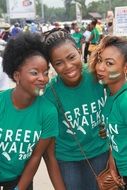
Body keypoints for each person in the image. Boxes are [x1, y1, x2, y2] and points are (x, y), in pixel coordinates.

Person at [43, 28, 109, 190]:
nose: (68, 66)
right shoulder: (49, 93)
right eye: (58, 63)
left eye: (71, 57)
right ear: (52, 66)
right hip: (68, 160)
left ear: (79, 51)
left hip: (100, 152)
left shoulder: (97, 74)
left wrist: (110, 122)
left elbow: (118, 96)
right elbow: (47, 147)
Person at [0, 32, 65, 190]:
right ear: (17, 75)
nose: (43, 78)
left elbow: (37, 156)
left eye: (45, 72)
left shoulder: (48, 111)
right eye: (34, 73)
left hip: (19, 178)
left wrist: (19, 188)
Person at [89, 35, 127, 189]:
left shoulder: (125, 101)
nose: (100, 67)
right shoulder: (111, 95)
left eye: (109, 63)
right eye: (100, 60)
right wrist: (113, 161)